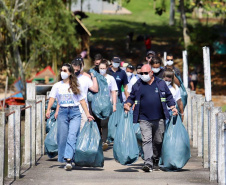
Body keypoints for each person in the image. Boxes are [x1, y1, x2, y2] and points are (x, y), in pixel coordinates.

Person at [124, 64, 178, 172]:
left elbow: (168, 96)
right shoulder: (138, 85)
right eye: (141, 73)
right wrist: (128, 104)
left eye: (145, 73)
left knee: (158, 140)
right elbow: (131, 97)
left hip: (159, 118)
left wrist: (173, 107)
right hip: (144, 118)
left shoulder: (160, 83)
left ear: (151, 73)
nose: (143, 75)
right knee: (146, 140)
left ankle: (155, 159)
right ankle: (148, 162)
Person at [46, 63, 94, 171]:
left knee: (72, 135)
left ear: (70, 73)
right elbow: (52, 99)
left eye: (65, 71)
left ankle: (68, 159)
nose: (62, 72)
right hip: (63, 112)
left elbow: (82, 101)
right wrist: (48, 110)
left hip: (75, 112)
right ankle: (65, 157)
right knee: (62, 137)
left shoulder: (76, 85)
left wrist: (87, 114)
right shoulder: (57, 86)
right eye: (61, 70)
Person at [71, 57, 98, 130]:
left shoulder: (85, 78)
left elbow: (95, 89)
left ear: (80, 68)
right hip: (70, 109)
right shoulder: (67, 79)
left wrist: (94, 76)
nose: (75, 71)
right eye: (73, 69)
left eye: (77, 70)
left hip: (83, 110)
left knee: (82, 131)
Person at [98, 59, 118, 149]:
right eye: (100, 68)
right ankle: (98, 140)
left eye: (103, 68)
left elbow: (114, 91)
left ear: (106, 68)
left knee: (104, 123)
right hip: (97, 105)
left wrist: (114, 104)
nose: (102, 69)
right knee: (98, 123)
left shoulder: (110, 78)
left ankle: (104, 141)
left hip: (107, 104)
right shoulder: (95, 77)